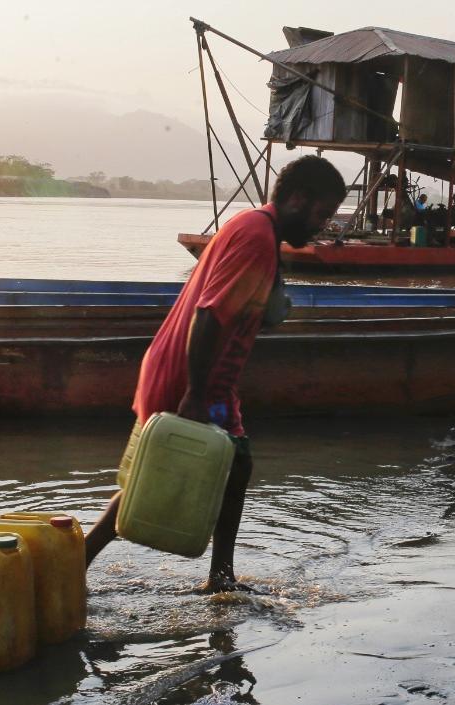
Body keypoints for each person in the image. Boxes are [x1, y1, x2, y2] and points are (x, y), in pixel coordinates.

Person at [83, 155, 346, 593]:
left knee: (229, 467)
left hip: (205, 375)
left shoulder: (256, 227)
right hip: (191, 374)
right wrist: (196, 393)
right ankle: (84, 560)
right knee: (163, 478)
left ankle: (217, 576)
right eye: (322, 215)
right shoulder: (256, 236)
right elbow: (208, 316)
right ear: (298, 199)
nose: (322, 227)